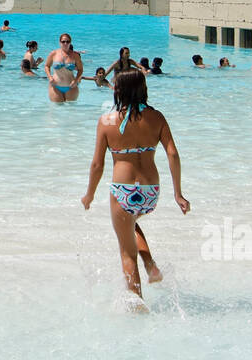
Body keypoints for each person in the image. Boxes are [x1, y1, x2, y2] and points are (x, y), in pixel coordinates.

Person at [81, 69, 189, 311]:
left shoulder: (106, 121)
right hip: (151, 191)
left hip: (123, 190)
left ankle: (137, 304)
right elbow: (172, 154)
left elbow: (98, 164)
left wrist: (89, 194)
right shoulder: (157, 118)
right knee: (131, 224)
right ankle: (150, 264)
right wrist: (178, 193)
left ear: (118, 90)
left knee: (126, 251)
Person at [45, 33, 83, 103]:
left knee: (70, 110)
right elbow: (47, 66)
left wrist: (76, 80)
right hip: (55, 86)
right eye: (63, 42)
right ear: (60, 42)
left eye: (67, 41)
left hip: (71, 87)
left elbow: (80, 70)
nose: (65, 43)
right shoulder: (54, 53)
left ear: (70, 42)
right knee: (56, 109)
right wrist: (50, 77)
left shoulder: (75, 55)